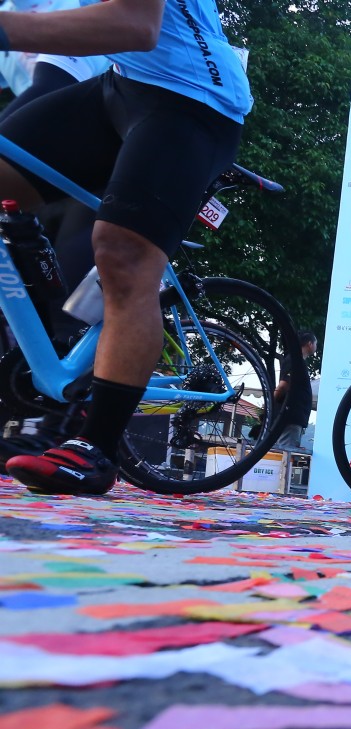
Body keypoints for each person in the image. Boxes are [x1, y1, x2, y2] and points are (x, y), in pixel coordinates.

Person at [2, 0, 253, 495]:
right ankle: (49, 336)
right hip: (121, 85)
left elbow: (136, 25)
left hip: (194, 99)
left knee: (121, 252)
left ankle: (94, 447)